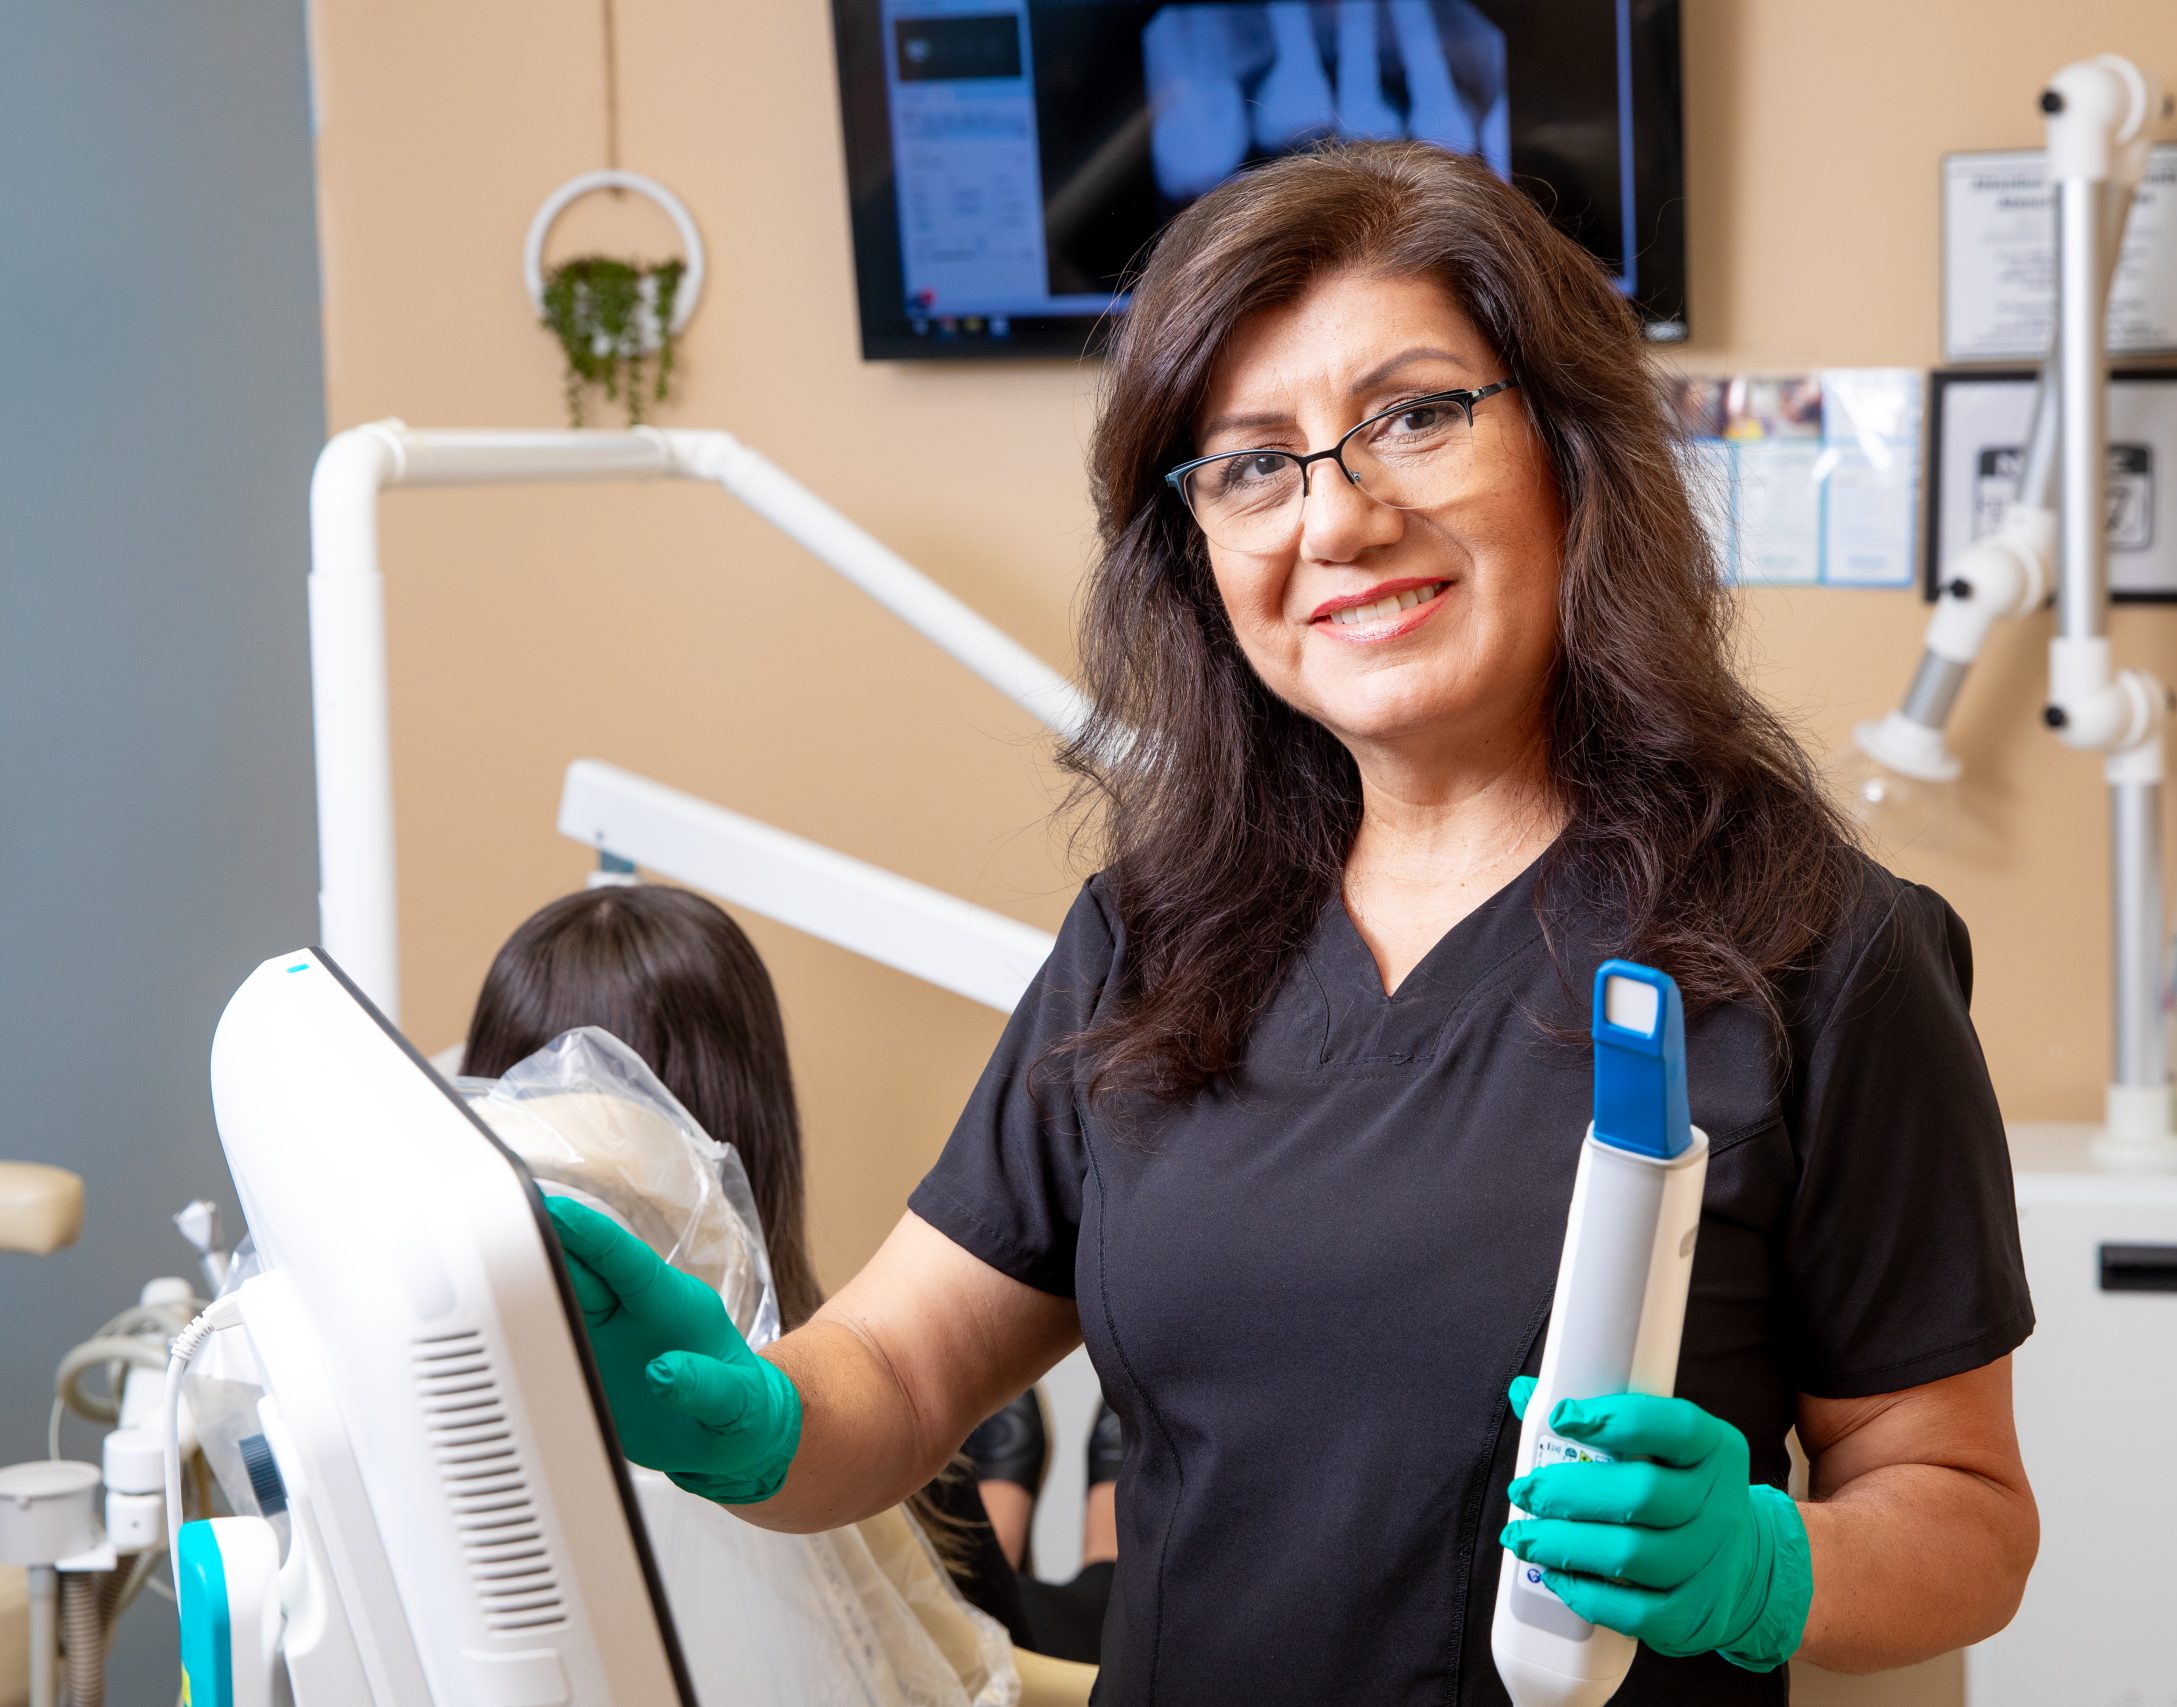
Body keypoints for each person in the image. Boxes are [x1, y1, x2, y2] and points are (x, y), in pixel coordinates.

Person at [548, 141, 2039, 1703]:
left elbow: (1966, 1513)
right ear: (1198, 550)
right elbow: (901, 1370)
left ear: (1571, 454)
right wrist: (746, 1412)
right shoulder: (1152, 936)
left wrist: (1763, 1563)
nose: (1340, 518)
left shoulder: (1813, 946)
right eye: (1254, 461)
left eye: (1415, 414)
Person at [462, 884, 1118, 1662]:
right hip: (986, 1655)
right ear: (752, 1126)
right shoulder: (825, 1444)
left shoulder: (453, 1445)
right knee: (1084, 1582)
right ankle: (1081, 1520)